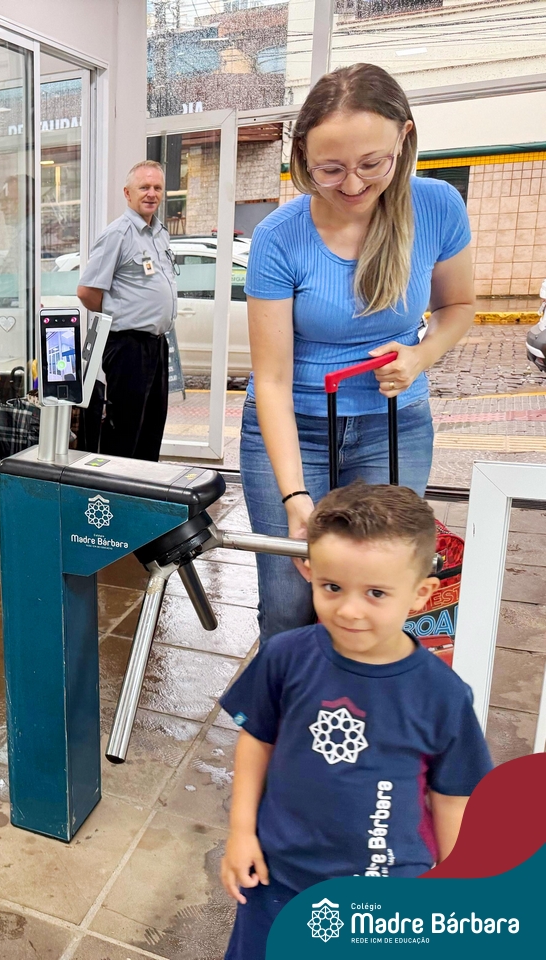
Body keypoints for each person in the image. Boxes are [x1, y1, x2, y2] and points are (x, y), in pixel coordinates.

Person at [242, 63, 474, 640]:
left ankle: (363, 698)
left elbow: (458, 307)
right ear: (302, 154)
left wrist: (419, 357)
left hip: (392, 426)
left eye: (372, 164)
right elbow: (271, 380)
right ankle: (288, 700)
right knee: (290, 605)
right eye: (330, 169)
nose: (351, 185)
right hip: (294, 430)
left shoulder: (438, 207)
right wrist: (296, 496)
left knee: (379, 599)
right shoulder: (279, 236)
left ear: (404, 138)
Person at [218, 484, 493, 958]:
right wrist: (241, 832)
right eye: (332, 587)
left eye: (376, 593)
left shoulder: (442, 696)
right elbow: (256, 740)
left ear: (421, 594)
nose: (348, 610)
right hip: (277, 878)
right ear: (309, 571)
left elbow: (453, 799)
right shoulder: (285, 656)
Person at [76, 159, 178, 461]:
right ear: (127, 193)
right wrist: (119, 314)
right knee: (124, 434)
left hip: (157, 345)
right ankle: (115, 490)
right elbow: (87, 291)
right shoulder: (118, 234)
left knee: (151, 430)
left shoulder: (160, 234)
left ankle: (143, 489)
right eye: (144, 187)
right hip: (128, 347)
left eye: (157, 187)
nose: (151, 193)